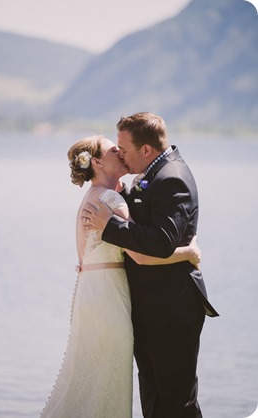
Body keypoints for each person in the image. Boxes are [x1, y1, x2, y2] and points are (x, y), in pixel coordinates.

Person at [40, 134, 203, 418]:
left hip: (89, 296)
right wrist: (189, 252)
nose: (121, 152)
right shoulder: (112, 199)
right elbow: (141, 252)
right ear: (98, 162)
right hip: (110, 303)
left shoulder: (89, 197)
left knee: (90, 378)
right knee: (107, 383)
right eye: (114, 150)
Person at [83, 113, 219, 418]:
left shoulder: (172, 178)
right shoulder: (150, 174)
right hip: (149, 308)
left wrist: (110, 227)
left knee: (177, 400)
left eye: (124, 149)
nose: (120, 154)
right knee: (154, 399)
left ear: (146, 150)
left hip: (173, 307)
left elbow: (161, 242)